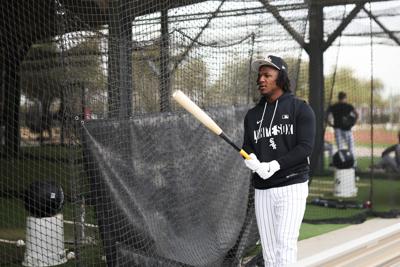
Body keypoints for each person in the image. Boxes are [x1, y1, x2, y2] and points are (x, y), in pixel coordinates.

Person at [242, 55, 316, 266]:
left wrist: (275, 165)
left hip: (292, 185)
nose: (261, 80)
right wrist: (251, 160)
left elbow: (305, 147)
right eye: (260, 75)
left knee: (285, 243)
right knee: (269, 250)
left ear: (281, 78)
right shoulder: (253, 115)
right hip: (263, 188)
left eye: (267, 75)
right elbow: (247, 146)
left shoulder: (300, 108)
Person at [326, 91, 359, 162]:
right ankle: (353, 163)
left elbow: (326, 116)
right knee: (351, 147)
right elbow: (356, 114)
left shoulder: (334, 106)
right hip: (347, 129)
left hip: (337, 129)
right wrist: (353, 123)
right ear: (345, 97)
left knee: (340, 148)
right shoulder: (348, 106)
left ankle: (341, 163)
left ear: (338, 97)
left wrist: (330, 124)